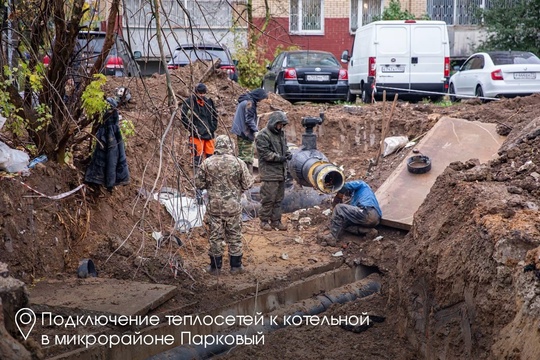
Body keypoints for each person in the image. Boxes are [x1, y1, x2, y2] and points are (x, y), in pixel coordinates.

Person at [195, 135, 254, 275]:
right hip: (233, 207)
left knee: (215, 237)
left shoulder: (207, 163)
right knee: (235, 236)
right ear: (230, 146)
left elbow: (199, 184)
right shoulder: (238, 162)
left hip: (215, 208)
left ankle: (215, 268)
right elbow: (247, 183)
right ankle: (236, 266)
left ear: (216, 146)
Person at [255, 111, 291, 231]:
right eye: (279, 124)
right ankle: (264, 221)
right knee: (268, 199)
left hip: (280, 172)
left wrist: (287, 154)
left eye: (282, 125)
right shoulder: (262, 135)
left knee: (278, 199)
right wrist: (280, 158)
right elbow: (265, 154)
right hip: (269, 173)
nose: (280, 127)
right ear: (273, 123)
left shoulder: (281, 134)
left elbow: (285, 148)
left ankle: (276, 221)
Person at [85, 97, 130, 192]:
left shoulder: (109, 135)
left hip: (98, 177)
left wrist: (110, 184)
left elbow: (112, 161)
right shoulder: (114, 132)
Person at [318, 180, 382, 246]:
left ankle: (332, 237)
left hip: (368, 211)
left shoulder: (361, 184)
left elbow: (345, 186)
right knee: (345, 224)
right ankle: (368, 231)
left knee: (339, 208)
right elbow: (349, 214)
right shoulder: (358, 197)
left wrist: (339, 196)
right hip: (375, 219)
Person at [180, 83, 218, 171]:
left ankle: (210, 180)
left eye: (203, 93)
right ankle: (197, 181)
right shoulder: (189, 102)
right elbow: (183, 117)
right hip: (196, 136)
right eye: (200, 93)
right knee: (197, 160)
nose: (202, 95)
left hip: (209, 135)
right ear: (195, 92)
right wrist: (193, 129)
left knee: (211, 160)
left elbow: (215, 115)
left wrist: (213, 127)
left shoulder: (209, 102)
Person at [231, 88, 268, 173]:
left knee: (245, 155)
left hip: (241, 130)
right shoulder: (250, 103)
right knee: (245, 157)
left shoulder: (247, 100)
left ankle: (245, 176)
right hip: (244, 132)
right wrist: (256, 131)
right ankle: (245, 176)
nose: (262, 101)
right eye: (262, 98)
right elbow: (249, 119)